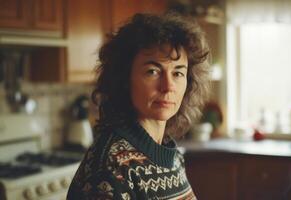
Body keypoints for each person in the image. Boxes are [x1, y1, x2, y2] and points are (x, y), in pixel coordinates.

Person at [67, 12, 210, 200]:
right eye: (153, 71)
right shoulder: (112, 166)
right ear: (124, 79)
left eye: (177, 73)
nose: (168, 87)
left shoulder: (172, 155)